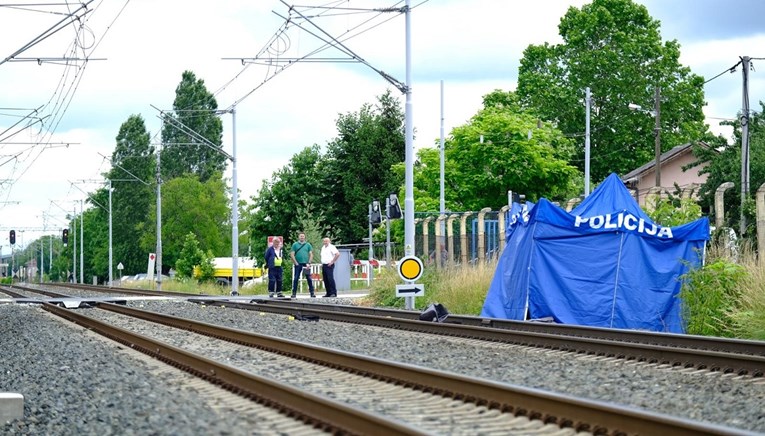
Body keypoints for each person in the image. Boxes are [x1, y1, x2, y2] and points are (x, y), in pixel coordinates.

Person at [290, 232, 315, 298]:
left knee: (309, 278)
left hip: (306, 264)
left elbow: (311, 254)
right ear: (299, 237)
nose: (302, 237)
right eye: (301, 236)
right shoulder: (295, 244)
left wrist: (309, 263)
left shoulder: (308, 245)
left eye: (303, 236)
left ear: (305, 237)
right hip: (298, 264)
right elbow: (292, 254)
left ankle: (312, 293)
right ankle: (294, 293)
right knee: (296, 278)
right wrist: (296, 263)